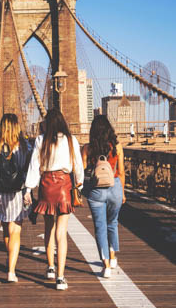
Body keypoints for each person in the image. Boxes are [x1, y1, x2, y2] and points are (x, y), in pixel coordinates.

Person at [24, 108, 84, 290]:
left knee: (48, 227)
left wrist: (28, 188)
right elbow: (78, 166)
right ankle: (60, 277)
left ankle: (50, 267)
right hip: (64, 186)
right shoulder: (72, 140)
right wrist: (79, 185)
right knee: (62, 232)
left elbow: (35, 166)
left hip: (46, 185)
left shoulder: (41, 140)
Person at [0, 113, 32, 283]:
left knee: (6, 228)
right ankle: (11, 271)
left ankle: (10, 259)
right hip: (16, 191)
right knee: (16, 230)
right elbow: (28, 169)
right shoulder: (25, 146)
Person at [81, 115, 126, 278]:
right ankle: (113, 256)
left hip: (96, 190)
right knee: (112, 223)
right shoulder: (117, 146)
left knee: (100, 227)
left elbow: (83, 173)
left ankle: (106, 264)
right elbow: (121, 172)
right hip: (114, 187)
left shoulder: (87, 148)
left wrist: (83, 192)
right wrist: (123, 193)